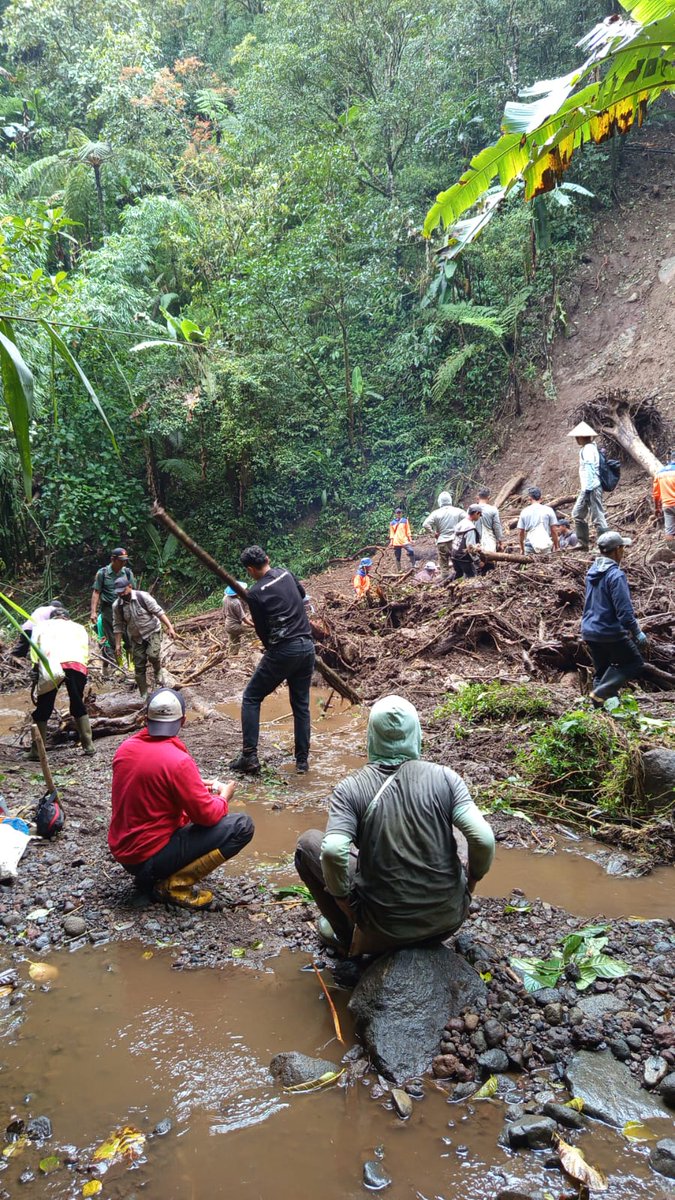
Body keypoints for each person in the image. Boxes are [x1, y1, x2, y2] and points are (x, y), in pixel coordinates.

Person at [295, 695, 495, 956]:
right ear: (417, 733)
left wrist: (343, 900)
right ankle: (439, 906)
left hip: (381, 928)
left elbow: (333, 851)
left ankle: (345, 933)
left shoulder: (350, 788)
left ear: (371, 736)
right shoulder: (447, 778)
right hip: (448, 921)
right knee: (456, 827)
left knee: (307, 843)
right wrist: (470, 885)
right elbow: (483, 839)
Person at [109, 688, 254, 909]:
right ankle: (172, 886)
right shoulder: (178, 761)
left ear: (146, 719)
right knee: (242, 826)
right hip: (147, 857)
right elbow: (206, 816)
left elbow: (150, 792)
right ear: (183, 721)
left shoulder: (125, 749)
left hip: (125, 854)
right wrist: (224, 797)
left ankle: (151, 876)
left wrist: (192, 785)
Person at [229, 546, 315, 776]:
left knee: (251, 697)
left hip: (283, 650)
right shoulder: (286, 573)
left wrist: (274, 653)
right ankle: (302, 762)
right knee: (301, 706)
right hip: (307, 647)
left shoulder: (255, 594)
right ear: (268, 559)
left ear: (249, 569)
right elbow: (302, 596)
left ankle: (249, 755)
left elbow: (262, 630)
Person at [581, 531, 647, 703]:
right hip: (609, 631)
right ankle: (601, 693)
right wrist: (637, 632)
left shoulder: (592, 572)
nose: (624, 551)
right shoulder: (616, 575)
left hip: (589, 630)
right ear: (617, 550)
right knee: (634, 662)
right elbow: (624, 612)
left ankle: (599, 711)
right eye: (623, 548)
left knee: (602, 671)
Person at [28, 608, 94, 759]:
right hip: (76, 665)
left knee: (44, 706)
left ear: (52, 618)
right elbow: (84, 649)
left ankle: (37, 751)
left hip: (52, 665)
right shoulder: (79, 627)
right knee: (77, 703)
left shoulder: (42, 626)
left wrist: (35, 669)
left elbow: (35, 650)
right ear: (67, 618)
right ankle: (88, 745)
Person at [112, 579, 177, 699]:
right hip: (136, 637)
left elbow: (158, 612)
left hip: (152, 631)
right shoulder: (117, 606)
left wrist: (170, 627)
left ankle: (158, 670)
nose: (122, 594)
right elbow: (117, 626)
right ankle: (144, 695)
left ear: (130, 586)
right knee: (139, 666)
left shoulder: (143, 597)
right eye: (119, 593)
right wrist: (117, 645)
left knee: (152, 655)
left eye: (123, 591)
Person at [90, 549, 137, 666]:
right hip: (108, 611)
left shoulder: (127, 573)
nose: (123, 563)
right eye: (121, 561)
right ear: (113, 559)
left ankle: (131, 665)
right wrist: (93, 612)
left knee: (129, 637)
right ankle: (119, 665)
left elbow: (133, 590)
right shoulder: (103, 573)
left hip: (126, 609)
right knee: (112, 640)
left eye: (125, 561)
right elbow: (96, 592)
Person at [568, 421, 609, 550]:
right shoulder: (587, 448)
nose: (576, 439)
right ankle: (583, 543)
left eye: (577, 437)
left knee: (597, 516)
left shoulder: (589, 449)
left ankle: (605, 545)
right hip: (587, 488)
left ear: (583, 437)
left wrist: (588, 489)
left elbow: (591, 468)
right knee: (577, 514)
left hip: (592, 487)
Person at [422, 492, 467, 579]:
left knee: (444, 566)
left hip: (442, 542)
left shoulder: (436, 513)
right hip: (455, 541)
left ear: (440, 502)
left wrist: (433, 533)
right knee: (459, 561)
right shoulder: (458, 511)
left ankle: (445, 583)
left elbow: (425, 524)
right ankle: (460, 579)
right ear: (450, 500)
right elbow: (468, 518)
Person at [517, 488, 560, 555]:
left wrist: (522, 549)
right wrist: (556, 546)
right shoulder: (548, 510)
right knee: (547, 565)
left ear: (530, 498)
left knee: (529, 565)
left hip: (529, 545)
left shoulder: (524, 512)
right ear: (540, 497)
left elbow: (520, 532)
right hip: (545, 544)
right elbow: (554, 530)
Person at [450, 505, 482, 579]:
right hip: (464, 558)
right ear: (476, 513)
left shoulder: (461, 523)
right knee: (472, 578)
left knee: (458, 575)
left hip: (454, 555)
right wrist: (478, 561)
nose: (479, 517)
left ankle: (446, 587)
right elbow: (470, 548)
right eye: (479, 515)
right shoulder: (470, 528)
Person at [223, 583, 254, 655]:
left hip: (228, 625)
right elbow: (244, 619)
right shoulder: (236, 602)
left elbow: (224, 613)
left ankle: (231, 658)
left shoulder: (225, 598)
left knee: (234, 644)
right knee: (253, 632)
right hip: (234, 626)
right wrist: (254, 625)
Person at [653, 453, 675, 541]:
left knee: (669, 531)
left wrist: (657, 508)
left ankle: (672, 552)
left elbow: (656, 494)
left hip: (667, 505)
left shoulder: (660, 473)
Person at [475, 488, 504, 554]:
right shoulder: (493, 510)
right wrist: (500, 542)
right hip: (489, 540)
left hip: (474, 541)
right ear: (489, 497)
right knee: (490, 560)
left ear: (477, 497)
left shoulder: (471, 509)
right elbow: (497, 527)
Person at [388, 508, 415, 572]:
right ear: (395, 514)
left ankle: (413, 565)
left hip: (404, 540)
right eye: (397, 513)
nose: (399, 514)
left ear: (401, 513)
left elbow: (408, 530)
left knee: (411, 551)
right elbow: (392, 533)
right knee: (397, 556)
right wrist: (391, 542)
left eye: (400, 512)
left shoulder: (405, 521)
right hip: (396, 541)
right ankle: (399, 570)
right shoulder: (392, 523)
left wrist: (410, 539)